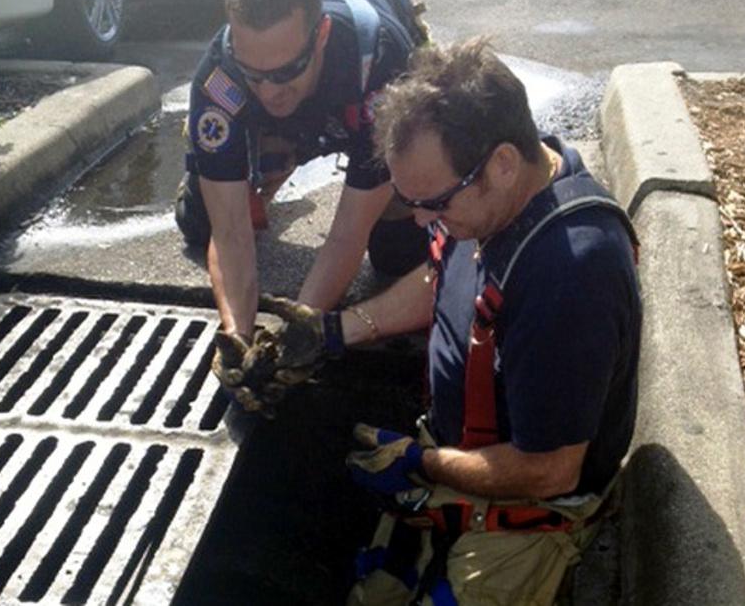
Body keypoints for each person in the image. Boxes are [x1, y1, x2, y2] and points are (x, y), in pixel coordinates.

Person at [232, 38, 643, 604]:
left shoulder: (569, 276)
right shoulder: (498, 193)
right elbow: (444, 278)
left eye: (436, 204)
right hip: (453, 460)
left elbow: (550, 470)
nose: (422, 218)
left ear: (501, 163)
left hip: (526, 506)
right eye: (410, 201)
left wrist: (424, 464)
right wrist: (335, 330)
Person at [177, 0, 430, 347]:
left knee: (398, 253)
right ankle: (274, 158)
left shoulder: (382, 61)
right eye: (254, 75)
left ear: (322, 35)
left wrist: (299, 331)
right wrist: (238, 337)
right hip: (288, 120)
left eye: (285, 72)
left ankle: (287, 153)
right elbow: (230, 234)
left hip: (359, 102)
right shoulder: (219, 80)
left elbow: (349, 233)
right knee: (199, 222)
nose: (270, 92)